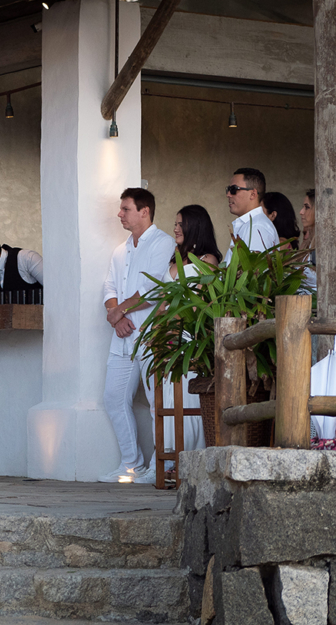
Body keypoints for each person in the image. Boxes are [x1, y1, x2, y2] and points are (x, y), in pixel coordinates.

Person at [131, 204, 220, 484]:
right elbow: (164, 302)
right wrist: (154, 328)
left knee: (190, 397)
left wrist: (176, 323)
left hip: (191, 338)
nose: (176, 228)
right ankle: (168, 457)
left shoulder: (208, 259)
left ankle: (190, 458)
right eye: (176, 223)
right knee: (166, 397)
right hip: (167, 338)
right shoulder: (174, 258)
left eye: (181, 223)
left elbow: (204, 303)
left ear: (195, 226)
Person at [100, 188, 175, 484]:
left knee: (159, 399)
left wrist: (119, 312)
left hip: (152, 333)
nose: (120, 214)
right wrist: (115, 317)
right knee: (114, 398)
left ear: (144, 211)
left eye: (125, 209)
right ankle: (130, 464)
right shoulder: (120, 250)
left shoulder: (163, 242)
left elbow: (154, 289)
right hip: (123, 337)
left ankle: (160, 465)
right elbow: (109, 288)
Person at [223, 168, 279, 264]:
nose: (228, 194)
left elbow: (255, 274)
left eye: (233, 190)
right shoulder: (252, 224)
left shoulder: (257, 227)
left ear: (253, 194)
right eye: (228, 189)